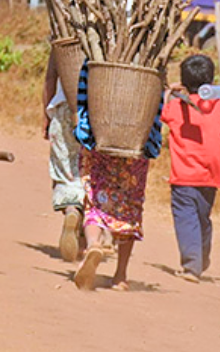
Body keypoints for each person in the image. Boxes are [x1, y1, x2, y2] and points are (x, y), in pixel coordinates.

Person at [71, 59, 163, 291]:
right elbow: (156, 105)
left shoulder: (94, 58)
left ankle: (93, 244)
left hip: (99, 138)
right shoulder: (153, 59)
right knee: (129, 205)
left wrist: (83, 130)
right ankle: (120, 275)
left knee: (95, 200)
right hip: (136, 143)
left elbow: (83, 97)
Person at [160, 54, 220, 283]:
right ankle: (201, 258)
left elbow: (161, 114)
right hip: (211, 174)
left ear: (184, 80)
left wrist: (169, 92)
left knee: (186, 217)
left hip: (183, 175)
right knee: (202, 217)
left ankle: (192, 265)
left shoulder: (176, 106)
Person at [42, 49, 85, 262]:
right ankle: (87, 236)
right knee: (91, 173)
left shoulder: (63, 39)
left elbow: (50, 78)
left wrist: (45, 115)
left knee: (65, 171)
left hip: (63, 110)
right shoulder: (108, 33)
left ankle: (71, 210)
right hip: (95, 113)